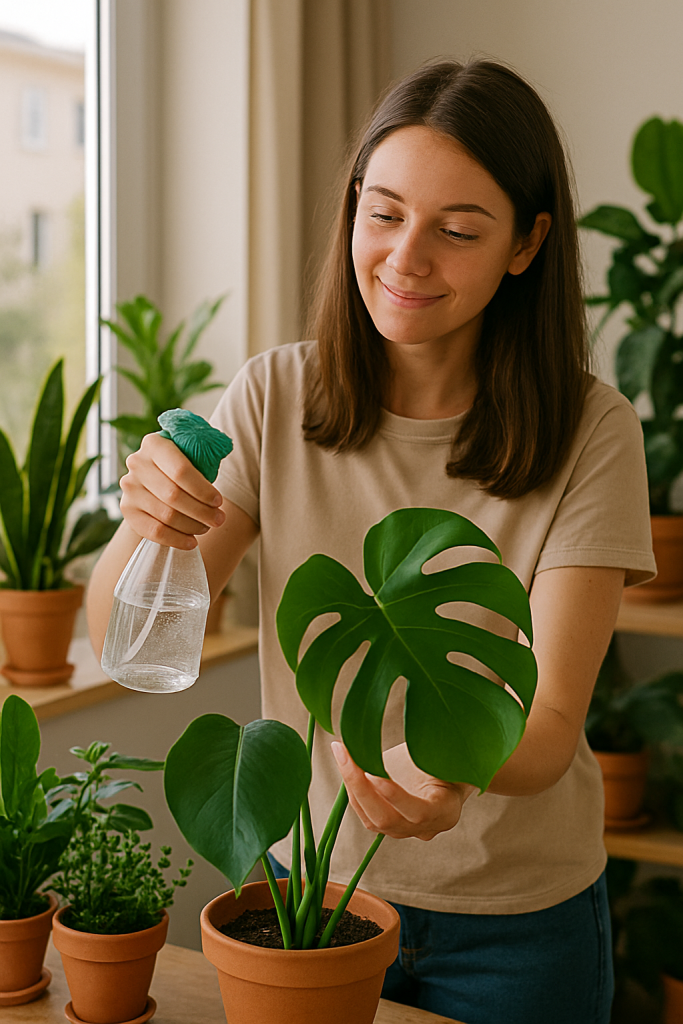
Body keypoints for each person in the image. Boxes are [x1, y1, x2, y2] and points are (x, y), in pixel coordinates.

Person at [87, 60, 655, 1024]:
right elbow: (131, 644)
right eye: (383, 213)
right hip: (309, 897)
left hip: (516, 923)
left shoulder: (592, 432)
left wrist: (448, 768)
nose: (405, 258)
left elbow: (549, 726)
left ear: (526, 245)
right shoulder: (274, 399)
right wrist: (147, 527)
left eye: (458, 231)